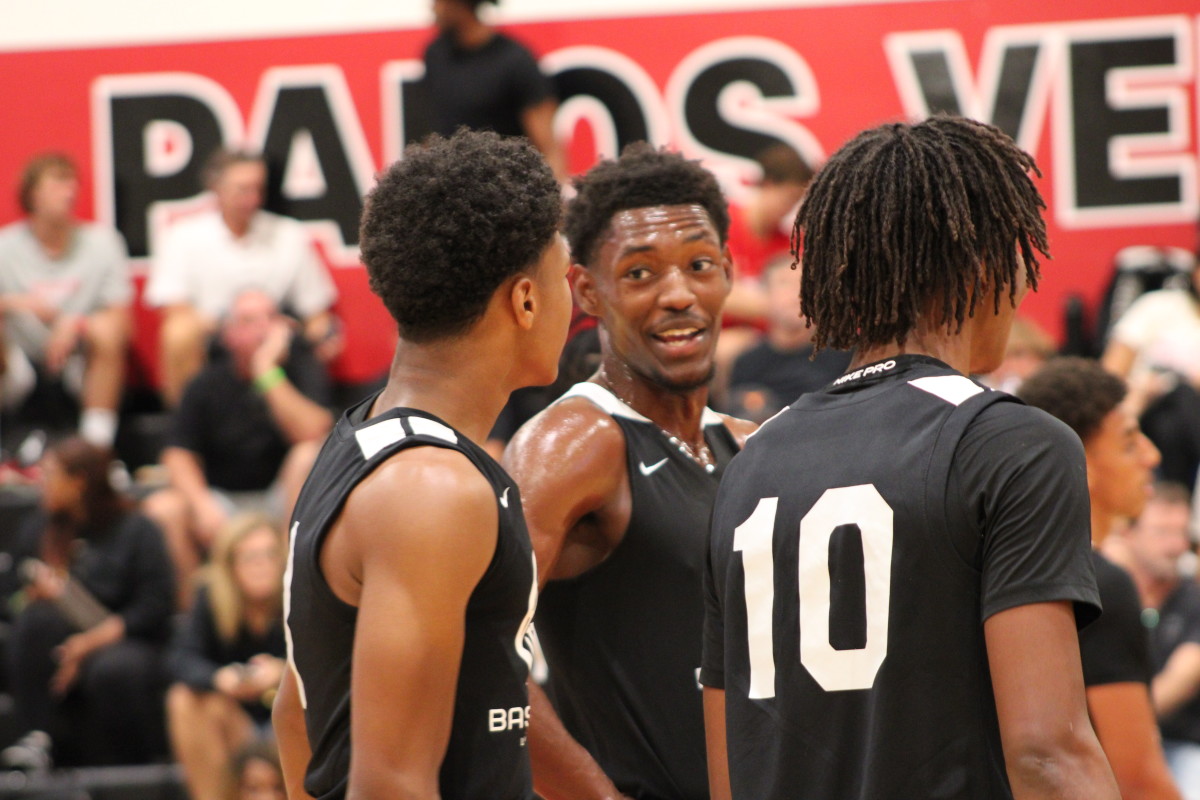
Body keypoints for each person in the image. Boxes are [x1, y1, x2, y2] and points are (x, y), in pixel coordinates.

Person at [702, 116, 1118, 800]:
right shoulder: (1012, 443)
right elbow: (1048, 752)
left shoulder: (749, 461)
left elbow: (729, 770)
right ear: (986, 264)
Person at [273, 129, 570, 800]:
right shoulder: (432, 490)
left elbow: (296, 715)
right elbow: (391, 785)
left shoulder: (361, 442)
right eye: (562, 274)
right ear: (524, 301)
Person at [502, 143, 755, 800]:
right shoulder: (573, 443)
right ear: (588, 289)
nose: (678, 295)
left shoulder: (748, 445)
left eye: (699, 266)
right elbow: (471, 648)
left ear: (727, 271)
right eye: (640, 274)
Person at [1019, 357, 1181, 800]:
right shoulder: (1101, 583)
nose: (1153, 455)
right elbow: (1137, 779)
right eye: (1130, 442)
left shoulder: (1014, 565)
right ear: (1080, 463)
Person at [142, 288, 333, 607]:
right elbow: (177, 453)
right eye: (249, 320)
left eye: (270, 318)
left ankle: (298, 598)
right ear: (228, 334)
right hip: (223, 502)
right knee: (163, 508)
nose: (262, 328)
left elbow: (314, 431)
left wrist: (266, 372)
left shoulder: (302, 367)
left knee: (308, 455)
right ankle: (196, 614)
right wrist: (201, 503)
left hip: (282, 502)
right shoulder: (206, 383)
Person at [0, 437, 174, 768]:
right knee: (36, 621)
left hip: (127, 638)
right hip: (60, 641)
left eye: (50, 475)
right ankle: (34, 738)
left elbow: (154, 606)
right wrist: (32, 596)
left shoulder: (137, 529)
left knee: (112, 670)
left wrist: (89, 643)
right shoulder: (38, 529)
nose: (42, 485)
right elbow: (10, 598)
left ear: (79, 481)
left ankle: (130, 770)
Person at [145, 148, 339, 406]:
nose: (252, 198)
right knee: (178, 332)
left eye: (258, 188)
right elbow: (173, 308)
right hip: (213, 338)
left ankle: (309, 428)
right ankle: (187, 426)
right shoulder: (184, 236)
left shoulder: (288, 234)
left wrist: (316, 332)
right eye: (242, 189)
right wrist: (237, 328)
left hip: (275, 339)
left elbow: (317, 312)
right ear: (216, 189)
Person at [0, 153, 132, 449]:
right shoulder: (4, 247)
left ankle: (97, 446)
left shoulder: (102, 242)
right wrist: (17, 303)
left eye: (73, 183)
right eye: (59, 182)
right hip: (16, 363)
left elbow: (124, 322)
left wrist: (77, 323)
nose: (70, 191)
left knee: (107, 329)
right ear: (32, 194)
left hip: (81, 360)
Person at [166, 513, 287, 800]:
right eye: (250, 557)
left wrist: (283, 672)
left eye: (270, 555)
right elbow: (179, 659)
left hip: (287, 720)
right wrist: (222, 679)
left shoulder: (300, 595)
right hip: (237, 722)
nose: (261, 565)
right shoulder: (211, 598)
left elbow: (332, 661)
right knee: (184, 700)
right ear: (230, 565)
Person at [1105, 482, 1200, 798]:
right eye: (1161, 532)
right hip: (1109, 743)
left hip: (1180, 742)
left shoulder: (1193, 599)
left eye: (1181, 533)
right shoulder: (1108, 595)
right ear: (1128, 535)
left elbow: (1183, 677)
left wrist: (1122, 726)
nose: (1176, 545)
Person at [422, 0, 567, 182]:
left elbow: (548, 147)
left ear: (461, 5)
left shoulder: (515, 61)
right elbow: (437, 128)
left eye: (439, 2)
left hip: (504, 189)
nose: (433, 8)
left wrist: (553, 199)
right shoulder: (435, 55)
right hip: (450, 188)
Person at [725, 254, 849, 422]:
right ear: (765, 295)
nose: (795, 294)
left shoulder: (846, 355)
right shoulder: (747, 363)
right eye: (784, 284)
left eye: (805, 284)